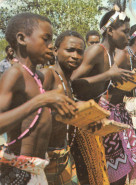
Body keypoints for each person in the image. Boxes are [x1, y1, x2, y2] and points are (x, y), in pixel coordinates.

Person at [71, 3, 136, 185]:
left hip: (97, 118)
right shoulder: (97, 50)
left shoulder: (112, 54)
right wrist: (109, 74)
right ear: (110, 31)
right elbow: (73, 81)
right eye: (125, 32)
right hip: (84, 120)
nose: (128, 37)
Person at [0, 13, 76, 184]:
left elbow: (35, 120)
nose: (51, 46)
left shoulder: (38, 77)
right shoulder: (14, 74)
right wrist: (40, 101)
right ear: (22, 39)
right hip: (18, 171)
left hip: (37, 169)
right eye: (46, 39)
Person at [41, 30, 86, 184]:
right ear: (55, 50)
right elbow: (27, 112)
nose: (75, 56)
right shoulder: (48, 75)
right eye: (70, 50)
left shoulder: (68, 80)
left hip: (64, 155)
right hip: (44, 159)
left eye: (80, 52)